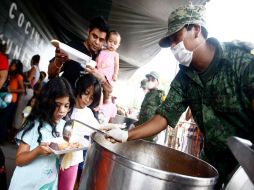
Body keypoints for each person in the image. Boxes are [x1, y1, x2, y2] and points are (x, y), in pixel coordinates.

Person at [103, 4, 254, 188]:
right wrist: (127, 134)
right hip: (213, 165)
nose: (174, 47)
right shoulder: (183, 79)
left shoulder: (240, 62)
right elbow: (163, 117)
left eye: (177, 38)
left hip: (247, 168)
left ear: (196, 29)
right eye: (171, 43)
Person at [9, 77, 75, 190]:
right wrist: (38, 151)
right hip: (25, 184)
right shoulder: (33, 125)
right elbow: (19, 160)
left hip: (47, 183)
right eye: (57, 105)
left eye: (66, 105)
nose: (62, 110)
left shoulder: (65, 127)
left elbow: (60, 157)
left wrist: (67, 150)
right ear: (48, 102)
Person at [48, 16, 112, 101]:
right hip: (64, 102)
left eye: (101, 40)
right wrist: (59, 61)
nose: (97, 42)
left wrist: (101, 79)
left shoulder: (101, 58)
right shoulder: (74, 47)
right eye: (94, 36)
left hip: (82, 108)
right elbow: (51, 74)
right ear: (88, 31)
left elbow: (109, 91)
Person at [58, 74, 101, 190]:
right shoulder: (66, 106)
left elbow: (99, 130)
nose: (88, 99)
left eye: (92, 97)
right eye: (86, 93)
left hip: (73, 159)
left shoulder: (88, 113)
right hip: (55, 155)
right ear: (79, 88)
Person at [134, 71, 165, 142]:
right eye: (148, 79)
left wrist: (157, 131)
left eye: (153, 80)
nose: (150, 81)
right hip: (142, 129)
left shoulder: (160, 94)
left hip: (151, 131)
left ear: (157, 82)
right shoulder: (147, 95)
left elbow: (164, 112)